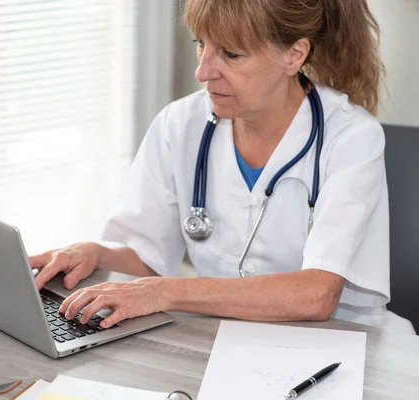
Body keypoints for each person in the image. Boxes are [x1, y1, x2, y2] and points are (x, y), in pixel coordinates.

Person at [29, 0, 415, 334]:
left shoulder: (350, 138)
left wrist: (163, 291)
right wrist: (97, 253)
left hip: (347, 346)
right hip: (221, 339)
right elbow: (147, 257)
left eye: (231, 54)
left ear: (294, 55)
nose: (203, 71)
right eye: (201, 44)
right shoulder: (179, 124)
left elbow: (317, 294)